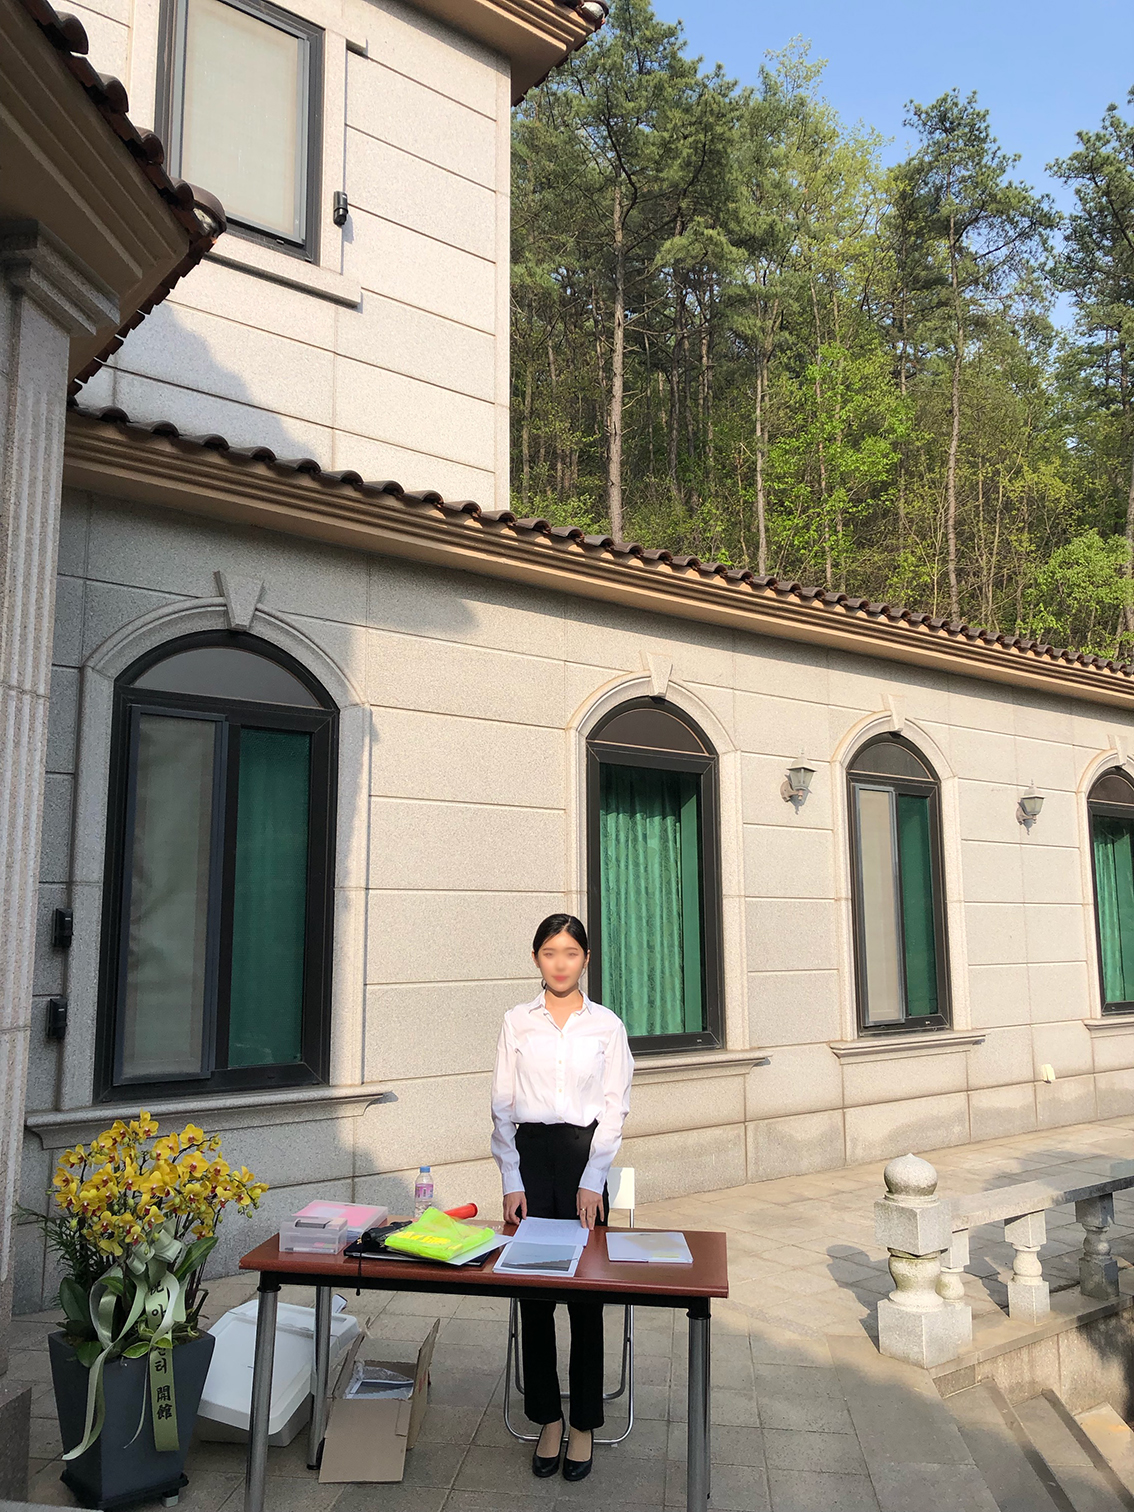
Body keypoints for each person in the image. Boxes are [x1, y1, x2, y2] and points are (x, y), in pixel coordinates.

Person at [490, 913, 634, 1482]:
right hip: (531, 1161)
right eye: (550, 952)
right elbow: (502, 1105)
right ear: (536, 959)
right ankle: (548, 1419)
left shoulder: (607, 1026)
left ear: (586, 959)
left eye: (570, 952)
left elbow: (615, 1108)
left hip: (584, 1161)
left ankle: (584, 1425)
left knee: (586, 1300)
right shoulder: (516, 1021)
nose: (560, 963)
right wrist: (511, 1179)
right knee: (535, 1298)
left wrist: (593, 1178)